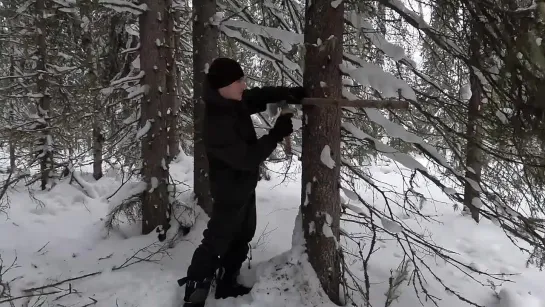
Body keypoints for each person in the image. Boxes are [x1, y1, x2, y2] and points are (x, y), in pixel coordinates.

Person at [177, 57, 307, 306]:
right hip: (229, 189)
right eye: (239, 80)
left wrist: (288, 93)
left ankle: (227, 281)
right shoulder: (217, 120)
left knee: (242, 235)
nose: (244, 85)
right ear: (223, 85)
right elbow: (247, 158)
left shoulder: (231, 101)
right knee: (217, 240)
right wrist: (277, 133)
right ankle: (194, 291)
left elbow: (257, 96)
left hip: (244, 186)